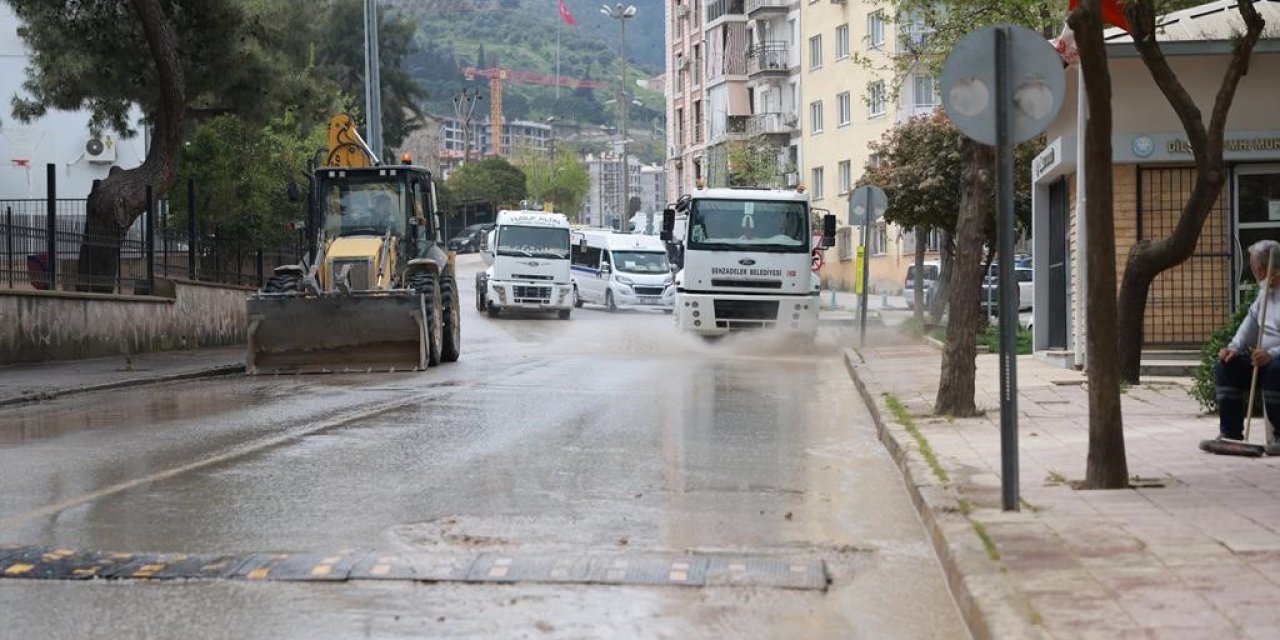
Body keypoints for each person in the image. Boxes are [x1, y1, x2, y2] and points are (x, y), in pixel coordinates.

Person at [1214, 239, 1280, 451]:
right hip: (1264, 359)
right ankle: (1230, 434)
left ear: (1260, 269)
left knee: (1274, 371)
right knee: (1227, 367)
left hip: (1276, 361)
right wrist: (1234, 348)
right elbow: (1251, 322)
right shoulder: (1264, 291)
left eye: (1253, 267)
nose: (1253, 271)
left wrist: (1271, 354)